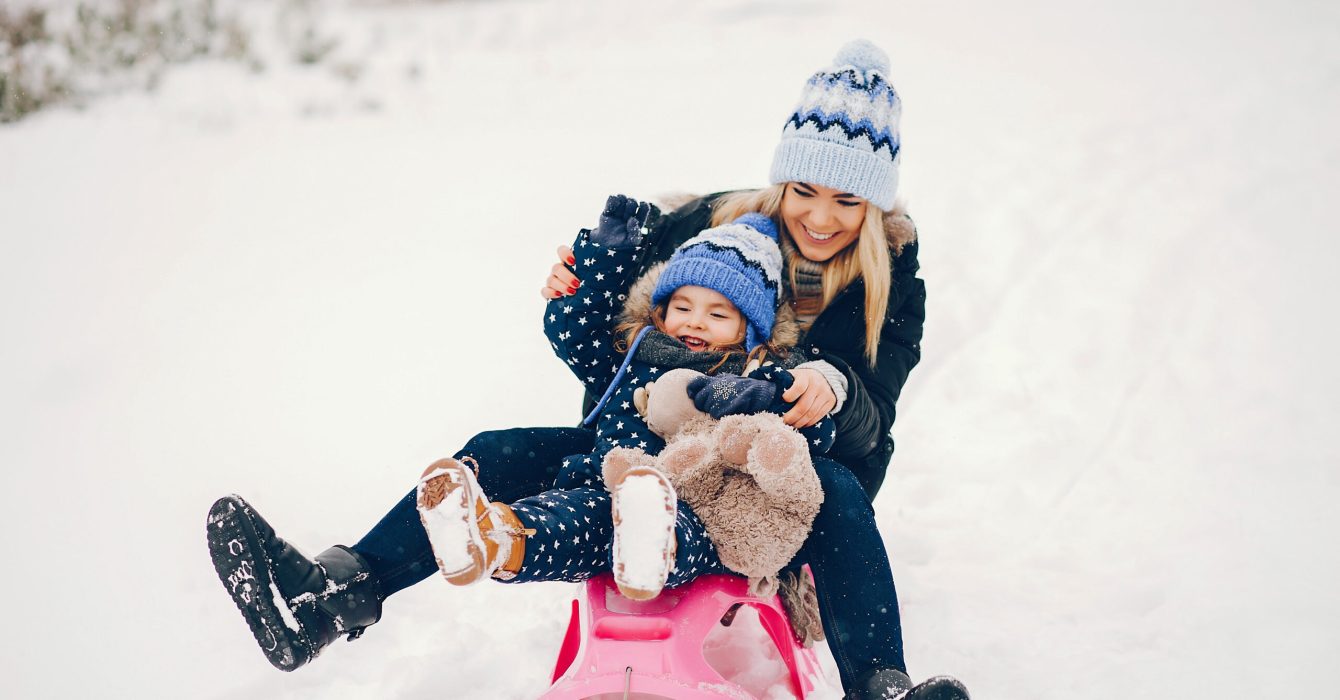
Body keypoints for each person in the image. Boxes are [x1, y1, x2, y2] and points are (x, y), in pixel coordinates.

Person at [205, 39, 969, 700]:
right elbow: (616, 312)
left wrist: (830, 388)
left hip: (775, 480)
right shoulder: (718, 224)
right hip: (640, 443)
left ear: (874, 206)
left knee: (832, 487)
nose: (822, 216)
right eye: (804, 190)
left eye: (847, 200)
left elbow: (876, 412)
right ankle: (335, 595)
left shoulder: (890, 280)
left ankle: (880, 684)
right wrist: (577, 275)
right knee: (498, 448)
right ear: (780, 182)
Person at [413, 202, 835, 602]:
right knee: (568, 519)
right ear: (661, 309)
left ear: (752, 330)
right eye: (682, 306)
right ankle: (491, 538)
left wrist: (753, 396)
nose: (695, 320)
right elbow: (573, 333)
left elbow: (811, 429)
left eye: (718, 314)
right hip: (609, 489)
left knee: (672, 527)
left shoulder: (755, 372)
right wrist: (603, 254)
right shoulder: (635, 356)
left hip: (699, 509)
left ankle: (651, 548)